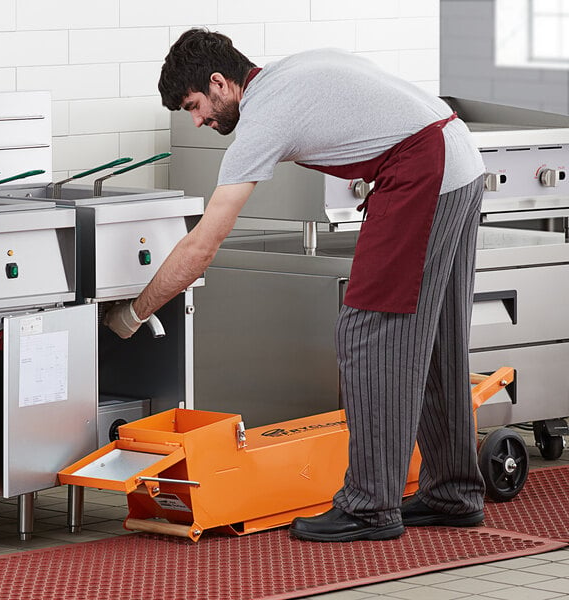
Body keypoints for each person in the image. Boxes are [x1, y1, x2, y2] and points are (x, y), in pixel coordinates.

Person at [104, 28, 486, 542]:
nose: (198, 120)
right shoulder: (289, 73)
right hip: (459, 161)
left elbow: (202, 247)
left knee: (368, 335)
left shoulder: (264, 117)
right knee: (435, 337)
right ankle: (453, 493)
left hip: (424, 170)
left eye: (196, 106)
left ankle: (371, 507)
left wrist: (133, 314)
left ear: (220, 83)